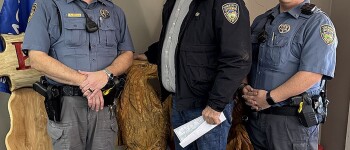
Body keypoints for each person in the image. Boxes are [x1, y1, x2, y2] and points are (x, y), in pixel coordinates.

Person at [134, 0, 251, 149]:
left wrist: (216, 104)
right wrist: (149, 54)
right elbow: (176, 39)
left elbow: (238, 58)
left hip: (207, 108)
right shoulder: (174, 2)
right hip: (180, 100)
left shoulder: (225, 2)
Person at [22, 0, 134, 149]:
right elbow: (36, 59)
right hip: (67, 106)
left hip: (105, 104)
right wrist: (84, 82)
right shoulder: (48, 6)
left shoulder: (114, 11)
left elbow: (127, 54)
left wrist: (106, 74)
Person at [241, 0, 337, 149]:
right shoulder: (262, 20)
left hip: (291, 124)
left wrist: (269, 98)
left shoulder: (317, 22)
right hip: (254, 120)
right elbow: (245, 60)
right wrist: (244, 85)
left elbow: (312, 74)